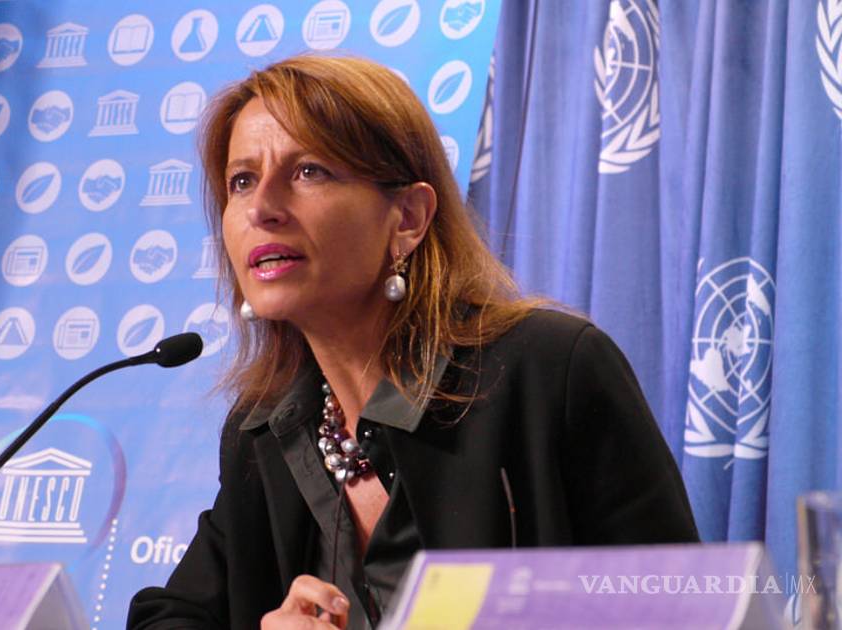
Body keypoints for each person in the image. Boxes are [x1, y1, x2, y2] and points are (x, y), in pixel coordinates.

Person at [127, 54, 698, 630]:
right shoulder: (266, 430)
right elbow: (167, 618)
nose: (261, 208)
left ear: (407, 217)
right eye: (241, 181)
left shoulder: (553, 371)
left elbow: (680, 607)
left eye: (309, 171)